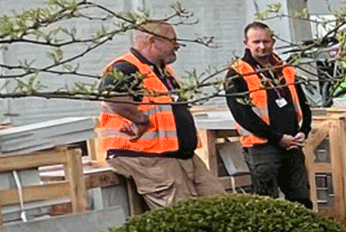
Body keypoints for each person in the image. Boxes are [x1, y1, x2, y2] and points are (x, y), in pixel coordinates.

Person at [96, 19, 229, 208]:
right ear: (152, 40)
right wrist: (140, 119)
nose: (177, 46)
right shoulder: (126, 68)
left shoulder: (162, 72)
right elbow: (112, 96)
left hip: (180, 156)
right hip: (150, 159)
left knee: (221, 206)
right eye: (172, 40)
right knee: (182, 217)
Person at [224, 19, 314, 205]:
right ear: (246, 44)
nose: (262, 47)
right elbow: (242, 115)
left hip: (292, 143)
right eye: (256, 42)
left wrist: (303, 131)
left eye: (265, 41)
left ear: (273, 41)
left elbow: (303, 104)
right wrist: (277, 137)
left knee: (300, 197)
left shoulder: (285, 69)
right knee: (267, 200)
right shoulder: (237, 73)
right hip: (262, 146)